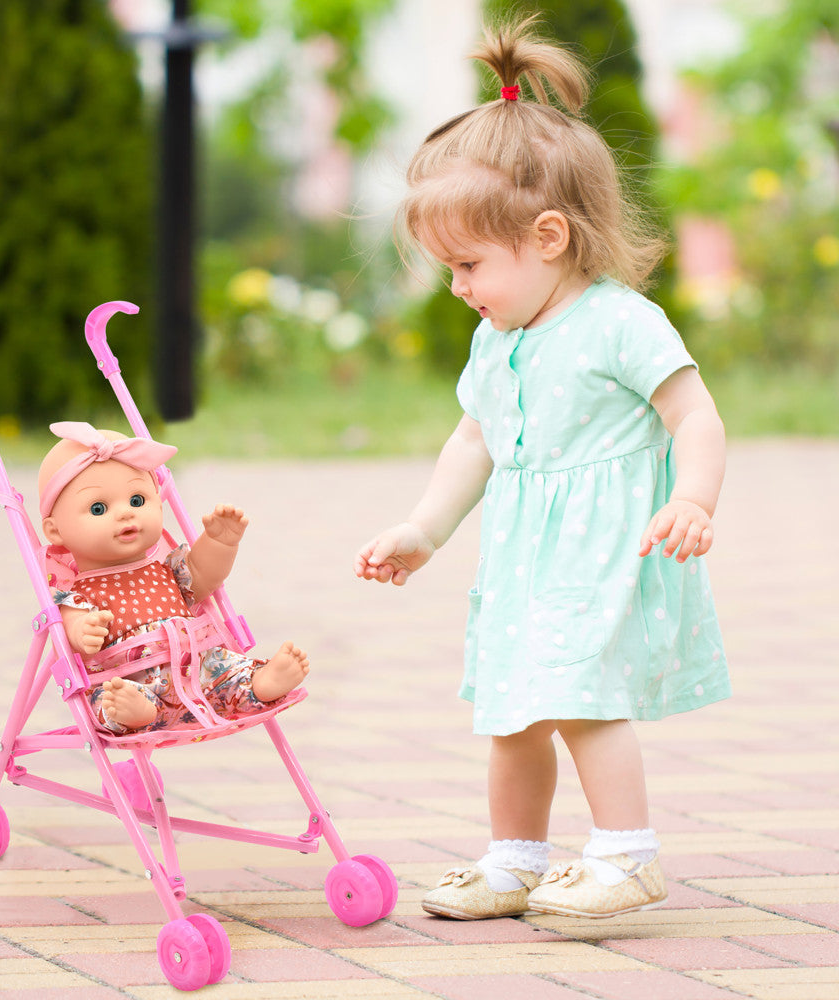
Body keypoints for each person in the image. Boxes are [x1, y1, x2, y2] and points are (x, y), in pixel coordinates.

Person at [355, 15, 729, 920]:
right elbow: (474, 439)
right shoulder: (498, 337)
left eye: (469, 264)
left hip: (605, 548)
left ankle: (627, 853)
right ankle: (515, 858)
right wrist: (425, 528)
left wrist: (693, 497)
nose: (459, 287)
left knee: (583, 700)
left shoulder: (618, 322)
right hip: (526, 554)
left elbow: (694, 412)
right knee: (514, 710)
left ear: (551, 236)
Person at [39, 421, 309, 735]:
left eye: (137, 501)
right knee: (110, 700)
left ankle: (257, 684)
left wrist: (220, 543)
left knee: (228, 669)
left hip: (199, 670)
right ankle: (136, 713)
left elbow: (203, 576)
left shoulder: (166, 568)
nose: (126, 514)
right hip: (132, 680)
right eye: (99, 508)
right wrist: (81, 631)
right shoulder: (75, 591)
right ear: (55, 531)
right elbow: (68, 627)